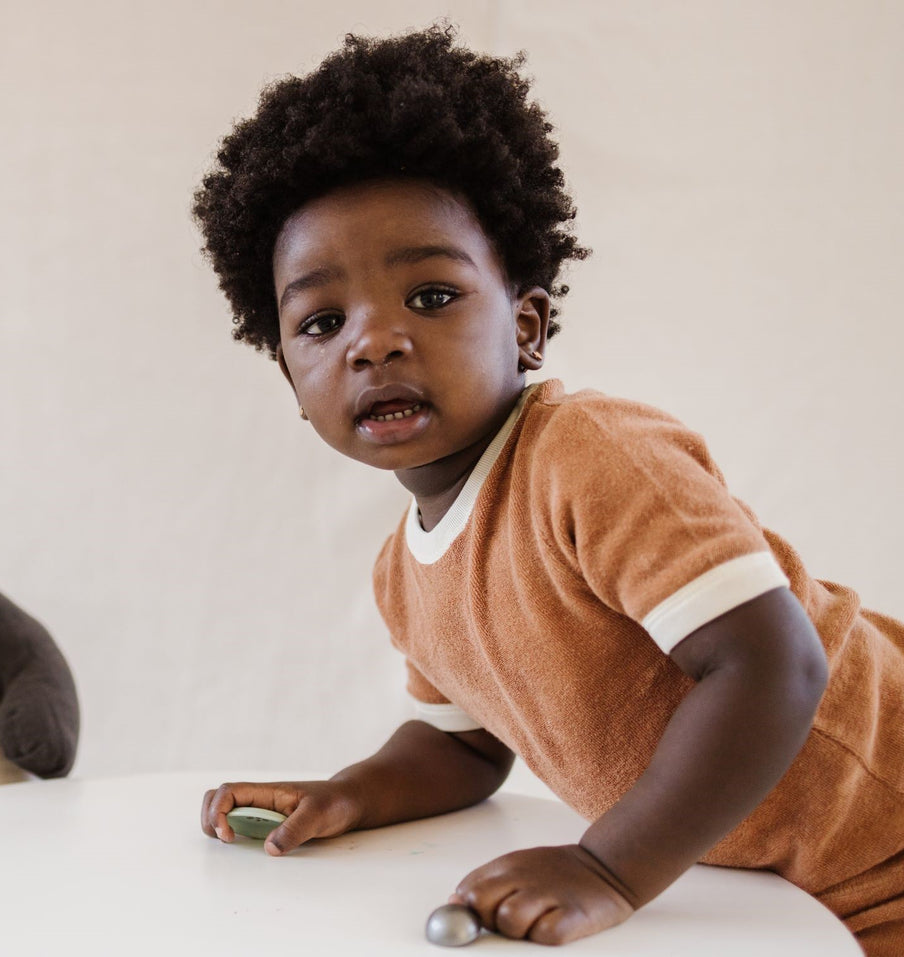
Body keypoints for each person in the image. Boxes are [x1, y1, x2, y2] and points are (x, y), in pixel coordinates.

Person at [191, 25, 903, 953]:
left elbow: (775, 664)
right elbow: (461, 743)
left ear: (526, 326)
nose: (374, 340)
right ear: (293, 382)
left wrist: (607, 866)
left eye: (433, 296)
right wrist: (351, 791)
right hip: (778, 892)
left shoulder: (590, 457)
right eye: (323, 321)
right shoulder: (404, 573)